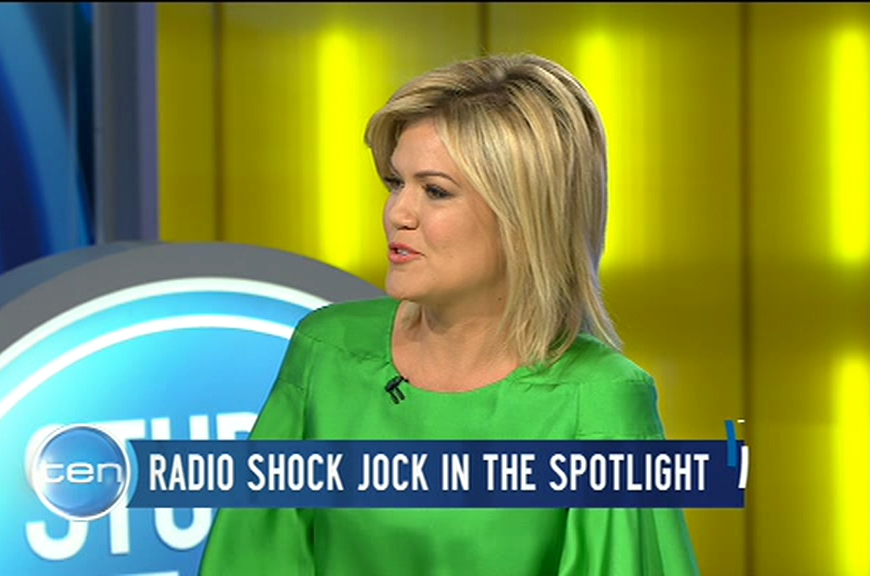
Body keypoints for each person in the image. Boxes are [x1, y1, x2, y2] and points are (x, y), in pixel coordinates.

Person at [199, 53, 699, 575]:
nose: (397, 213)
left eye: (435, 191)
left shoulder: (599, 402)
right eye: (396, 183)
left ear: (524, 217)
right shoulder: (326, 353)